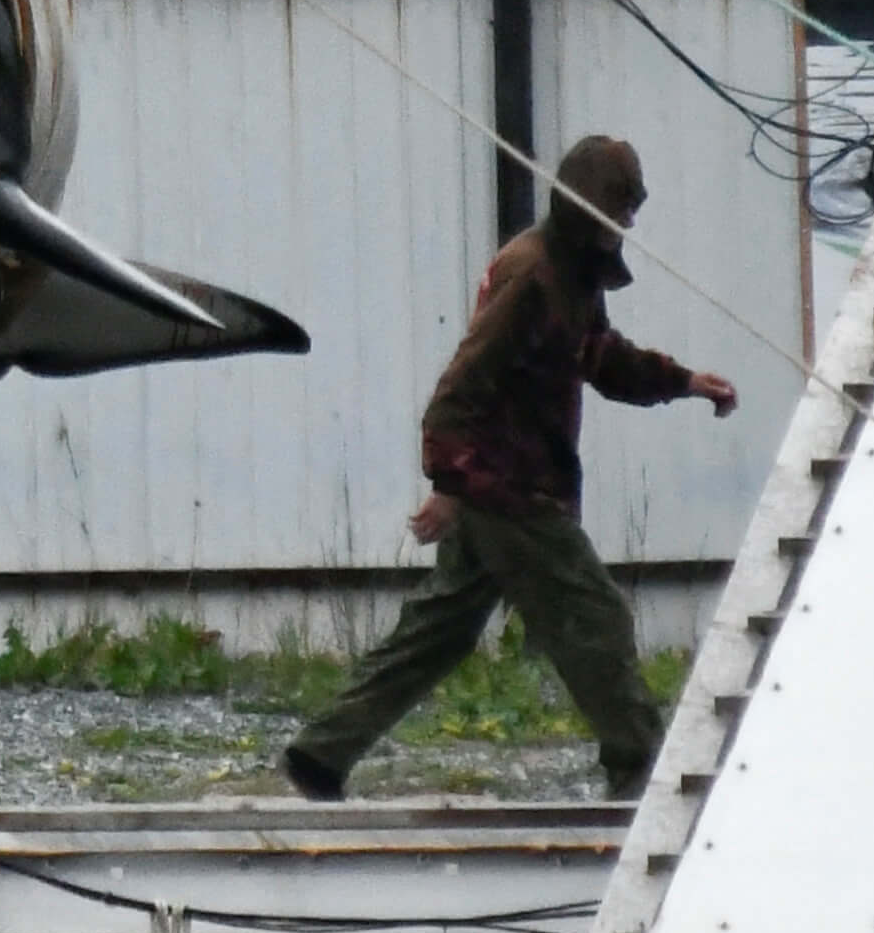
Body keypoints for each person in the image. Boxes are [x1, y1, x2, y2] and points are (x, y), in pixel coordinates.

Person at [283, 137, 737, 804]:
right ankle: (642, 767)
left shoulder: (573, 269)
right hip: (511, 489)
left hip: (507, 481)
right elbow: (459, 389)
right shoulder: (532, 275)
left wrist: (682, 382)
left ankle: (319, 753)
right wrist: (448, 483)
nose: (629, 225)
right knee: (595, 616)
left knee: (438, 630)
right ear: (592, 206)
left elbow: (598, 355)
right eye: (622, 209)